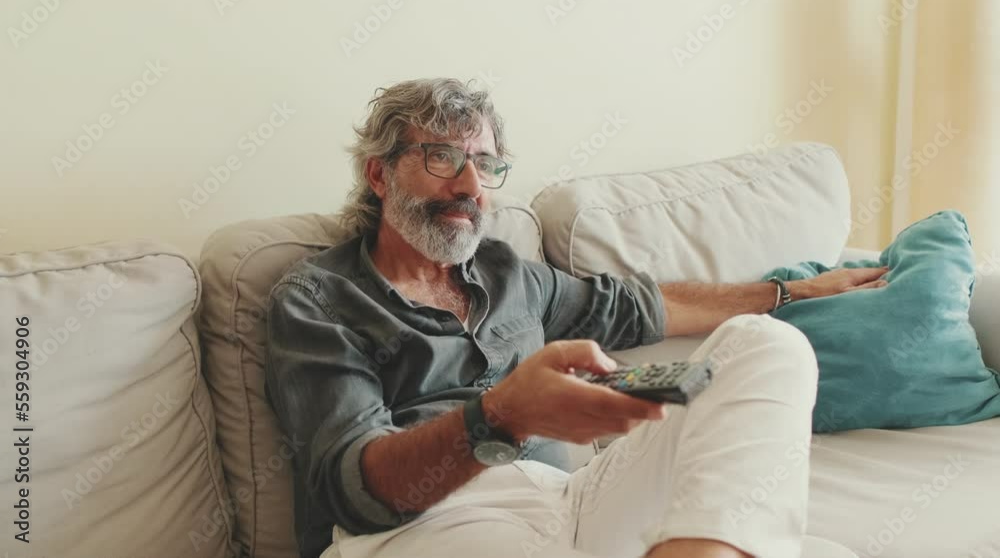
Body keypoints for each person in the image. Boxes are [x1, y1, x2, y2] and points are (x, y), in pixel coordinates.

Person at [264, 78, 888, 558]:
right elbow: (354, 491)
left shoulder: (509, 274)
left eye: (484, 164)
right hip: (426, 525)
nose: (470, 186)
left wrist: (795, 292)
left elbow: (639, 306)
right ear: (379, 172)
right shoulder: (319, 300)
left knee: (765, 347)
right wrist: (501, 416)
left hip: (571, 500)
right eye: (442, 158)